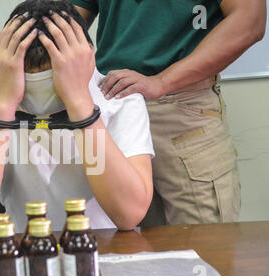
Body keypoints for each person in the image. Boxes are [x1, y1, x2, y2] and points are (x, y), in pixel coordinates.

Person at [0, 0, 155, 241]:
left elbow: (129, 215)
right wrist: (1, 111)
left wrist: (80, 105)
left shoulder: (121, 104)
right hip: (27, 252)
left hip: (106, 253)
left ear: (84, 63)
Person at [69, 0, 267, 225]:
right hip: (113, 108)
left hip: (180, 110)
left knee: (202, 248)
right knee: (126, 244)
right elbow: (68, 18)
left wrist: (162, 82)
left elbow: (250, 20)